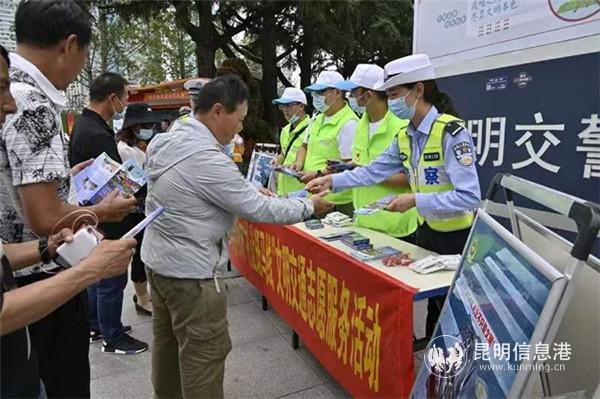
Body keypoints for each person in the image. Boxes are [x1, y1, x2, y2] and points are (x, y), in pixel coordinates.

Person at [141, 74, 333, 399]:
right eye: (239, 119)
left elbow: (210, 187)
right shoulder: (207, 157)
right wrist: (309, 207)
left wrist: (245, 188)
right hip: (193, 277)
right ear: (218, 111)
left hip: (159, 267)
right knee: (204, 358)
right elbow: (257, 209)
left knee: (168, 350)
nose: (240, 129)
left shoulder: (168, 139)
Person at [0, 3, 136, 396]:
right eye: (86, 55)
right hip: (39, 290)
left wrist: (64, 181)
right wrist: (102, 210)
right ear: (70, 45)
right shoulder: (35, 104)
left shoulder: (17, 92)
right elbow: (45, 217)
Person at [307, 54, 481, 339]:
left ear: (419, 90)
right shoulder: (405, 136)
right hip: (426, 232)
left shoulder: (451, 132)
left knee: (454, 310)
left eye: (395, 95)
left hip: (456, 238)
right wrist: (332, 180)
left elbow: (469, 197)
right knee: (434, 310)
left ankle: (457, 371)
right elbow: (370, 172)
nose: (392, 103)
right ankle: (435, 371)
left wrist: (415, 200)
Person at [69, 75, 150, 355]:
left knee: (97, 276)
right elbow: (114, 181)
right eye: (125, 96)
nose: (126, 102)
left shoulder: (85, 124)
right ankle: (112, 337)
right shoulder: (96, 133)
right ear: (112, 98)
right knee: (111, 277)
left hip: (94, 217)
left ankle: (96, 325)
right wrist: (140, 190)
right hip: (107, 217)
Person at [333, 64, 418, 242]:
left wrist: (367, 173)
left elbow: (411, 178)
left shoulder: (402, 126)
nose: (351, 98)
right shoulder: (360, 125)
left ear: (368, 95)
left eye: (354, 93)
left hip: (395, 226)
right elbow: (360, 164)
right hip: (364, 223)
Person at [292, 70, 358, 215]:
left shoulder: (349, 123)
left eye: (321, 92)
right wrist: (298, 163)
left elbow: (348, 165)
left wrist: (316, 174)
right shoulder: (317, 118)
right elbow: (304, 145)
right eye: (314, 93)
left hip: (336, 201)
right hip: (314, 195)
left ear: (337, 93)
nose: (316, 97)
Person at [116, 103, 157, 317]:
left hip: (140, 207)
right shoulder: (125, 149)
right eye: (144, 125)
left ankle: (144, 295)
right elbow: (136, 181)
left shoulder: (135, 147)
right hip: (133, 210)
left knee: (142, 251)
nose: (148, 129)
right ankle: (142, 298)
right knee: (139, 253)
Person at [271, 87, 310, 196]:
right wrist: (278, 160)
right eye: (282, 106)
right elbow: (285, 153)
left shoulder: (312, 128)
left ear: (301, 106)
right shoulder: (285, 130)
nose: (284, 110)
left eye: (288, 105)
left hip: (302, 191)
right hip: (284, 191)